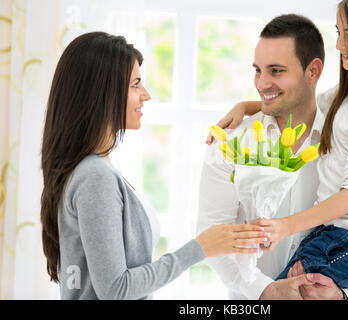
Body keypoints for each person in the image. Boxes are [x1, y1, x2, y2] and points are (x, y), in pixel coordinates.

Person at [40, 31, 275, 300]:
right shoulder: (94, 176)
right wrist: (200, 247)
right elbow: (116, 289)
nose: (146, 95)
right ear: (102, 92)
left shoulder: (92, 170)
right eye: (136, 84)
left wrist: (246, 106)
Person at [206, 0, 348, 291]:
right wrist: (245, 105)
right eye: (339, 32)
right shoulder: (347, 95)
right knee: (290, 286)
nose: (340, 43)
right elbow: (302, 103)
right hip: (342, 234)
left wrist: (286, 226)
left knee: (285, 290)